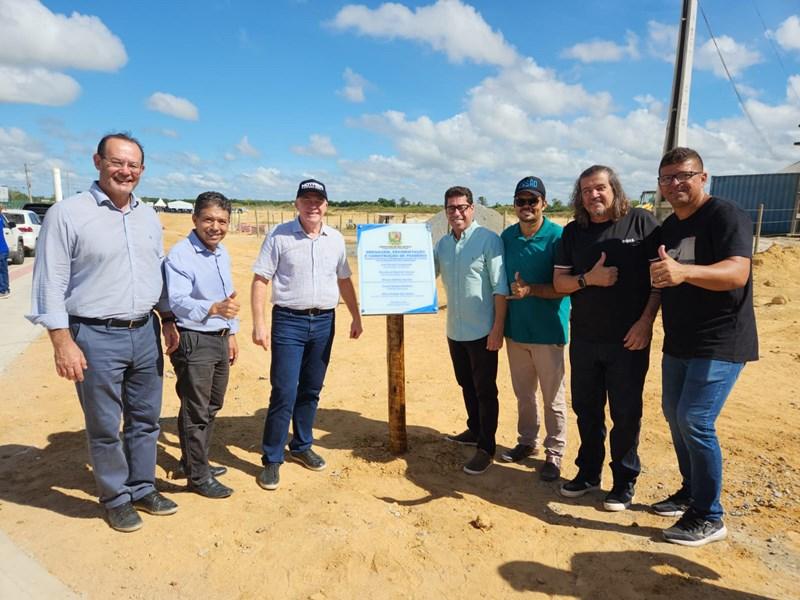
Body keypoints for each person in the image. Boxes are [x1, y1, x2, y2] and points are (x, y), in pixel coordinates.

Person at [27, 133, 180, 532]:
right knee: (105, 425)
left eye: (133, 165)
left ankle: (142, 487)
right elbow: (49, 283)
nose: (125, 171)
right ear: (98, 162)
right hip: (95, 336)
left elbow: (156, 271)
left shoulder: (148, 215)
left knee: (146, 419)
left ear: (142, 170)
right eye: (117, 162)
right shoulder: (67, 214)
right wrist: (62, 342)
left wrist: (167, 318)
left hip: (145, 332)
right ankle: (116, 498)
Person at [650, 147, 758, 547]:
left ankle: (709, 516)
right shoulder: (668, 228)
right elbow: (662, 278)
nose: (675, 184)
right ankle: (691, 491)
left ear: (702, 177)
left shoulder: (725, 215)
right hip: (680, 341)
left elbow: (737, 272)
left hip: (720, 339)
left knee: (695, 419)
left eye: (684, 175)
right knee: (674, 415)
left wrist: (684, 272)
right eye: (667, 178)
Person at [553, 165, 660, 511]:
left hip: (628, 340)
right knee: (586, 409)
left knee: (625, 412)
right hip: (585, 339)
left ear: (614, 189)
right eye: (586, 190)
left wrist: (646, 322)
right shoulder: (573, 232)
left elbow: (659, 279)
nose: (593, 195)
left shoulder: (640, 223)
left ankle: (624, 481)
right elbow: (560, 284)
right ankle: (588, 473)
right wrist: (590, 279)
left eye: (599, 188)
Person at [251, 178, 363, 491]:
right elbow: (261, 280)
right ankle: (272, 458)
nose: (312, 206)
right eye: (306, 200)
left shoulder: (335, 239)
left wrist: (356, 316)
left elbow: (344, 279)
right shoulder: (279, 235)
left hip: (325, 321)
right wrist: (259, 324)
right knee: (284, 390)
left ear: (326, 205)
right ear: (297, 204)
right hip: (289, 322)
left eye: (318, 200)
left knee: (312, 388)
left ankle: (301, 445)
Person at [164, 191, 240, 499]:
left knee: (211, 405)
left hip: (219, 337)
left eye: (222, 221)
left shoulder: (222, 253)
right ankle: (198, 476)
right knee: (196, 410)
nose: (215, 227)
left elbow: (229, 298)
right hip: (194, 339)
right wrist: (213, 309)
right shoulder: (180, 255)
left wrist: (231, 332)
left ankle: (194, 462)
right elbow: (178, 301)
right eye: (208, 219)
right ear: (195, 219)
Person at [501, 176, 570, 482]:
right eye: (521, 201)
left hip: (548, 331)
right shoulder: (507, 237)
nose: (526, 206)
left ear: (544, 203)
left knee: (552, 397)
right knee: (524, 394)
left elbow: (565, 286)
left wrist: (531, 290)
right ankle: (527, 441)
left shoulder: (558, 237)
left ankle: (554, 452)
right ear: (514, 204)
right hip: (516, 330)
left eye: (533, 200)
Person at [436, 186, 508, 475]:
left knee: (485, 390)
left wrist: (498, 328)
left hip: (482, 331)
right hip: (455, 330)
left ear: (472, 208)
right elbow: (424, 274)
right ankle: (474, 429)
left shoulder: (488, 240)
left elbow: (500, 287)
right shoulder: (442, 245)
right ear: (445, 211)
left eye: (462, 207)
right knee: (466, 383)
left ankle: (486, 448)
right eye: (451, 208)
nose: (457, 213)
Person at [0, 204, 9, 299]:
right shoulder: (1, 218)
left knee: (2, 272)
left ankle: (3, 290)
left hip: (1, 250)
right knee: (3, 271)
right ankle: (5, 289)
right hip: (3, 249)